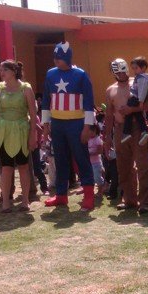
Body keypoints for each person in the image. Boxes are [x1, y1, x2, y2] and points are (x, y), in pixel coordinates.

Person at [41, 42, 96, 211]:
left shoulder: (80, 75)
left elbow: (89, 102)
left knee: (82, 158)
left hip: (76, 123)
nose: (56, 60)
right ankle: (61, 195)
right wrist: (45, 124)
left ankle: (88, 195)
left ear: (67, 57)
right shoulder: (50, 74)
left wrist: (87, 127)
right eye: (55, 57)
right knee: (60, 159)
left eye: (59, 57)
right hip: (57, 123)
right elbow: (46, 100)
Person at [0, 60, 38, 213]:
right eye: (1, 70)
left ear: (13, 71)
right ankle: (5, 201)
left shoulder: (26, 88)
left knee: (23, 166)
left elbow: (33, 114)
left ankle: (25, 200)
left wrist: (33, 135)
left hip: (21, 130)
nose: (2, 73)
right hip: (3, 131)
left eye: (5, 70)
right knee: (6, 167)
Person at [104, 58, 148, 213]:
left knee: (143, 165)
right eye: (117, 72)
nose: (121, 74)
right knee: (123, 166)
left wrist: (132, 110)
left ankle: (146, 201)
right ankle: (130, 199)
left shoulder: (137, 82)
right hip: (120, 129)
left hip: (137, 127)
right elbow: (109, 115)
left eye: (122, 70)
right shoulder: (110, 90)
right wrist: (107, 137)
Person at [120, 56, 148, 145]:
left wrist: (141, 101)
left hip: (136, 98)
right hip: (138, 98)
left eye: (136, 68)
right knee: (138, 114)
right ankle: (144, 131)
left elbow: (142, 90)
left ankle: (126, 132)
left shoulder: (141, 78)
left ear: (143, 68)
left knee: (128, 112)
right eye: (133, 68)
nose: (134, 71)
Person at [87, 124, 104, 196]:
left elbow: (100, 151)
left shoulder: (97, 139)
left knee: (97, 177)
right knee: (90, 178)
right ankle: (90, 192)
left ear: (96, 131)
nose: (91, 133)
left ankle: (100, 190)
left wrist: (91, 153)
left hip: (96, 163)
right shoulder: (87, 139)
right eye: (89, 131)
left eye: (93, 131)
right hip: (89, 163)